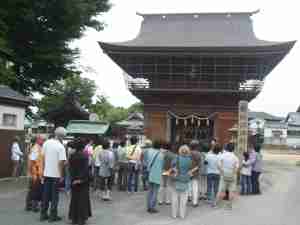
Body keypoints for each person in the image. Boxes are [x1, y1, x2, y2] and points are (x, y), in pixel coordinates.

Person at [40, 127, 67, 222]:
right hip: (56, 175)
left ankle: (43, 214)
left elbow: (42, 159)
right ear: (62, 136)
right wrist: (61, 175)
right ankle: (53, 216)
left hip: (46, 173)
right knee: (55, 196)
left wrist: (42, 172)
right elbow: (61, 163)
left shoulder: (46, 143)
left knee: (45, 195)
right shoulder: (61, 147)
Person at [68, 139, 92, 225]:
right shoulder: (85, 156)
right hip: (83, 181)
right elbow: (86, 169)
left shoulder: (72, 156)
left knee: (74, 199)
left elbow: (70, 169)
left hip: (73, 179)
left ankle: (74, 218)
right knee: (83, 199)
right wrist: (81, 179)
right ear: (83, 146)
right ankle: (82, 218)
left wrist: (74, 179)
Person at [170, 145, 192, 219]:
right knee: (183, 199)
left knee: (174, 198)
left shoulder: (176, 158)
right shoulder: (189, 160)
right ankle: (182, 215)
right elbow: (190, 169)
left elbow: (172, 167)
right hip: (185, 180)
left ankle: (174, 215)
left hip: (176, 179)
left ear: (180, 151)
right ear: (188, 151)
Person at [216, 142, 239, 210]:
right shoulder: (235, 157)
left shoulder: (222, 155)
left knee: (221, 190)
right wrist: (233, 174)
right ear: (233, 149)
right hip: (232, 175)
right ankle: (229, 206)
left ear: (227, 148)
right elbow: (236, 168)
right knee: (231, 191)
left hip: (224, 174)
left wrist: (221, 172)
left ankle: (216, 204)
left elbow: (218, 165)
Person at [25, 136, 44, 212]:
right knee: (35, 190)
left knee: (33, 189)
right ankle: (33, 206)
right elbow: (32, 161)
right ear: (38, 140)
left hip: (36, 173)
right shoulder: (36, 148)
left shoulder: (38, 147)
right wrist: (31, 173)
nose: (43, 141)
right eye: (42, 139)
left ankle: (29, 205)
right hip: (35, 173)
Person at [146, 140, 164, 213]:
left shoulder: (149, 152)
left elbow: (147, 161)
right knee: (155, 191)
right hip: (157, 174)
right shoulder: (161, 154)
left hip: (150, 173)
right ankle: (152, 207)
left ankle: (148, 206)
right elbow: (162, 166)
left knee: (150, 191)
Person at [205, 143, 220, 207]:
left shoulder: (208, 155)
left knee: (209, 186)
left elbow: (205, 163)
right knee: (216, 187)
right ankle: (214, 200)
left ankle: (209, 199)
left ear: (213, 149)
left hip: (210, 172)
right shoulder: (220, 156)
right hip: (217, 173)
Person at [188, 140, 201, 207]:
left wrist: (189, 171)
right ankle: (195, 202)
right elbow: (199, 165)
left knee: (188, 186)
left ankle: (189, 197)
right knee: (195, 187)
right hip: (195, 172)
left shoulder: (188, 153)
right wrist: (193, 170)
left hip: (187, 172)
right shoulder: (199, 154)